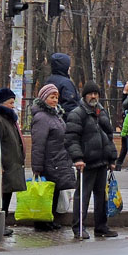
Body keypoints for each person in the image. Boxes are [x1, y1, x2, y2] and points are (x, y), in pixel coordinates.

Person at [64, 82, 119, 239]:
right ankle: (78, 227)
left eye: (96, 93)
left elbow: (108, 137)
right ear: (84, 95)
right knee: (82, 196)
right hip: (86, 164)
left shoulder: (101, 112)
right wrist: (78, 158)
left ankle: (101, 227)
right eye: (90, 94)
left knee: (102, 197)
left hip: (102, 162)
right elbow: (71, 139)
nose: (93, 96)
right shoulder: (77, 114)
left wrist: (111, 158)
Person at [30, 83, 77, 232]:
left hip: (57, 160)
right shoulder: (42, 117)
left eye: (56, 97)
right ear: (44, 98)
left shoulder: (55, 115)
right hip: (48, 161)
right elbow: (38, 144)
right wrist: (37, 167)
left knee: (55, 191)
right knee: (46, 192)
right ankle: (42, 221)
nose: (55, 100)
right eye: (52, 97)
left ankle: (50, 219)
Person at [0, 88, 25, 237]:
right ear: (2, 103)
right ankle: (0, 226)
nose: (13, 105)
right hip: (5, 165)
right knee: (2, 197)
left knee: (7, 196)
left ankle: (3, 224)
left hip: (11, 164)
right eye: (10, 102)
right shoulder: (0, 120)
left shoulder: (9, 119)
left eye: (14, 102)